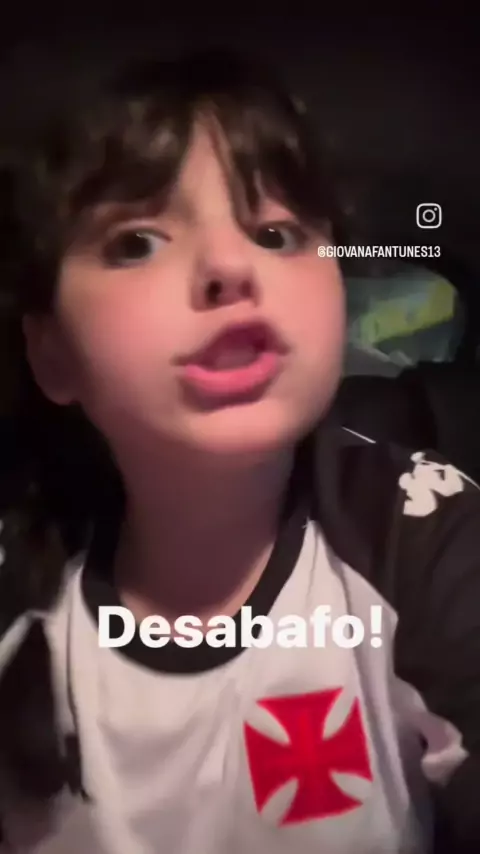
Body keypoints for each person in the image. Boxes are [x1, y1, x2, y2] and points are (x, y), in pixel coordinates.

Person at [0, 46, 478, 854]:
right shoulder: (20, 585)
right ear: (50, 353)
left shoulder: (422, 528)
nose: (230, 267)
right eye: (136, 243)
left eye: (276, 233)